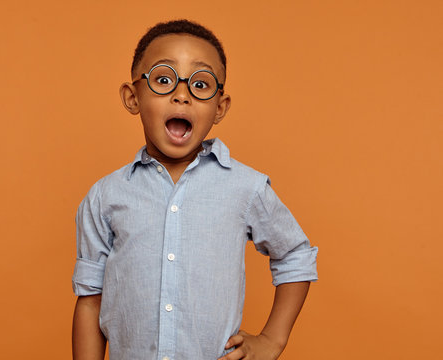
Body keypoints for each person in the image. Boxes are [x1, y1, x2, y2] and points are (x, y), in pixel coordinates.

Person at [71, 19, 318, 360]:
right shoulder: (105, 196)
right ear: (132, 97)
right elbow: (90, 299)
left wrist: (272, 339)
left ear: (220, 107)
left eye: (201, 84)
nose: (182, 95)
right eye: (163, 79)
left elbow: (295, 254)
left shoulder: (245, 187)